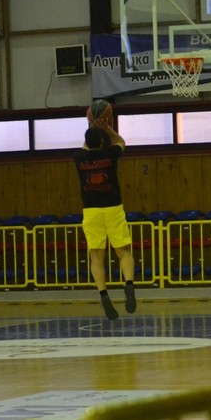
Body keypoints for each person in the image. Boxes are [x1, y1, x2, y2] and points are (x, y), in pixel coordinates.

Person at [75, 115, 136, 320]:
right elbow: (121, 142)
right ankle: (129, 285)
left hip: (91, 212)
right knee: (123, 252)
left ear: (87, 141)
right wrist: (107, 129)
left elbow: (86, 146)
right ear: (102, 142)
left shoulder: (79, 158)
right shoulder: (110, 155)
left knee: (96, 256)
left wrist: (92, 125)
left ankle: (103, 294)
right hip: (113, 208)